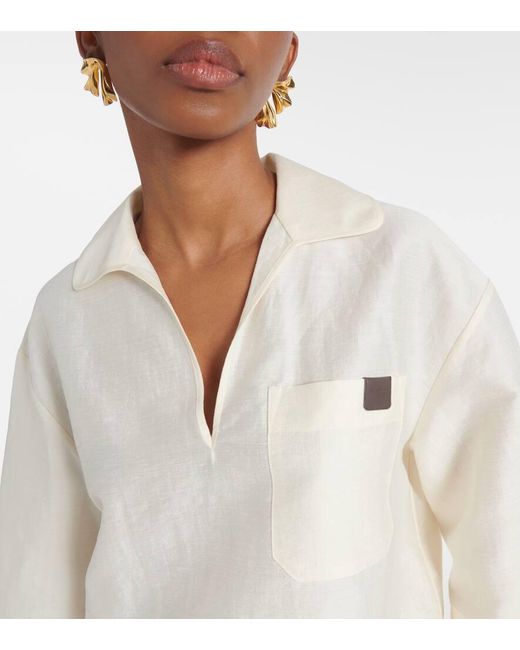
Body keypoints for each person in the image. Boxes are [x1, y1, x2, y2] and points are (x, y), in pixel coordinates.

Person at [0, 31, 519, 619]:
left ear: (288, 51)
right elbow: (34, 605)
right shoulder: (67, 321)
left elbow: (508, 571)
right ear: (91, 34)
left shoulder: (407, 270)